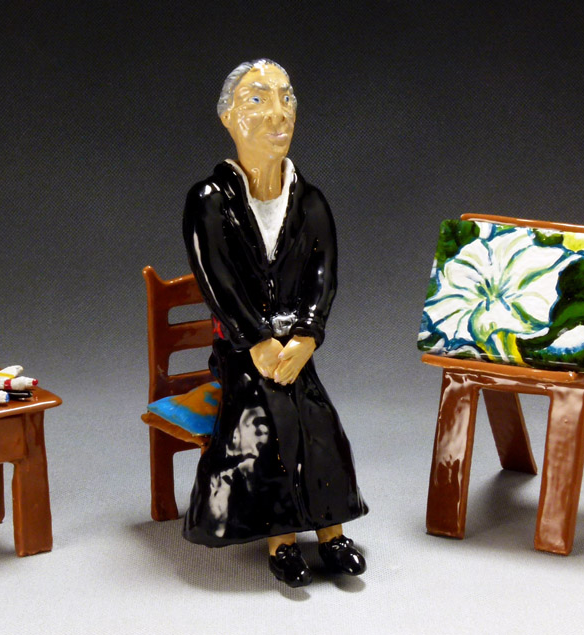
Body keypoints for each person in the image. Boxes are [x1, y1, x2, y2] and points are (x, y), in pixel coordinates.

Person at [181, 59, 368, 588]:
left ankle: (332, 533)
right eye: (259, 100)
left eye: (286, 98)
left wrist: (307, 336)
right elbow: (218, 283)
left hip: (293, 345)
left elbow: (322, 279)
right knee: (269, 417)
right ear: (229, 117)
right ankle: (281, 540)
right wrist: (257, 342)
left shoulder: (310, 203)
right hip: (240, 348)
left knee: (319, 417)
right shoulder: (208, 201)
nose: (278, 113)